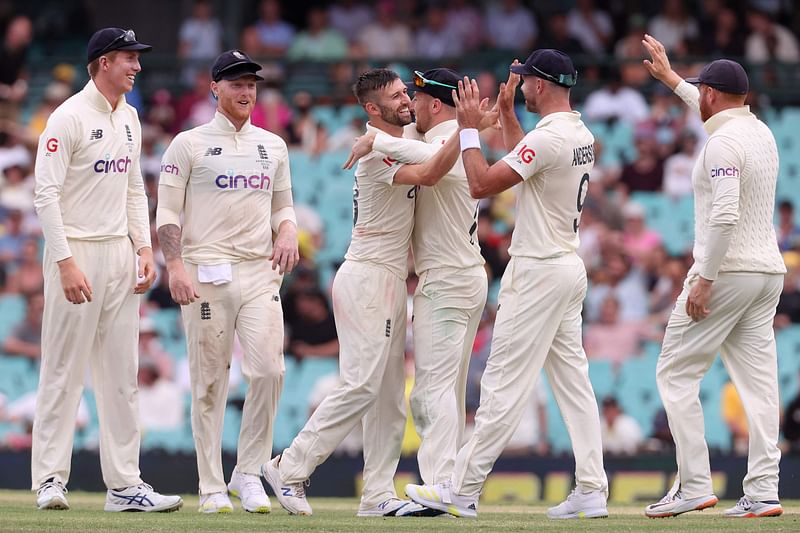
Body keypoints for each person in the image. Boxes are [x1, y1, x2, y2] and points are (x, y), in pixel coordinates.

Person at [405, 49, 609, 520]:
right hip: (565, 268)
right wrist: (509, 114)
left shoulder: (550, 140)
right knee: (573, 383)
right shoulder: (577, 133)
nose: (517, 86)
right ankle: (593, 488)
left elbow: (481, 184)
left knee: (501, 385)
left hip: (537, 272)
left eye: (523, 81)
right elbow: (526, 162)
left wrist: (471, 128)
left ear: (540, 84)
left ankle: (462, 489)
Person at [260, 68, 463, 517]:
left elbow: (436, 143)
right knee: (362, 384)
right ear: (373, 109)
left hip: (390, 278)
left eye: (405, 92)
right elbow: (431, 170)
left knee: (389, 397)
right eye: (395, 96)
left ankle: (376, 495)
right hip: (367, 276)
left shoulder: (393, 138)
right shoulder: (374, 155)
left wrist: (475, 123)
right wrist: (385, 141)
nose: (407, 99)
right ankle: (288, 466)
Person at [31, 27, 182, 512]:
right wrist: (65, 260)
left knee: (122, 375)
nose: (136, 67)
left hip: (119, 254)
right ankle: (50, 480)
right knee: (63, 370)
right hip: (77, 251)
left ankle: (124, 486)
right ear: (101, 63)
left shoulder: (131, 117)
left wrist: (144, 246)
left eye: (137, 58)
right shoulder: (68, 118)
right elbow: (45, 195)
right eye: (127, 58)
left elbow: (134, 187)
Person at [641, 34, 787, 519]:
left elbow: (724, 216)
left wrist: (705, 278)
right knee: (760, 385)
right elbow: (714, 110)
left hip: (726, 273)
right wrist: (673, 81)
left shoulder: (721, 143)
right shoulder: (759, 131)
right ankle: (765, 490)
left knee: (675, 374)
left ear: (710, 95)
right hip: (767, 274)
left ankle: (694, 486)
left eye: (699, 91)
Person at [156, 49, 298, 514]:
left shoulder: (272, 145)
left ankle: (248, 473)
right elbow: (168, 212)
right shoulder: (189, 143)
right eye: (236, 83)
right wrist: (174, 266)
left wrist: (289, 230)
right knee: (210, 382)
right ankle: (212, 486)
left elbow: (282, 205)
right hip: (205, 272)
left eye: (251, 83)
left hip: (259, 272)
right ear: (214, 87)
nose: (246, 91)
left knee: (270, 372)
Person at [343, 68, 489, 504]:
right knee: (449, 388)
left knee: (429, 392)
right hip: (469, 276)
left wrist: (376, 138)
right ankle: (456, 486)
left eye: (418, 100)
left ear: (436, 106)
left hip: (444, 280)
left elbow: (426, 163)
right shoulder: (456, 142)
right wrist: (479, 124)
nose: (412, 107)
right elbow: (430, 146)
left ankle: (444, 484)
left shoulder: (439, 144)